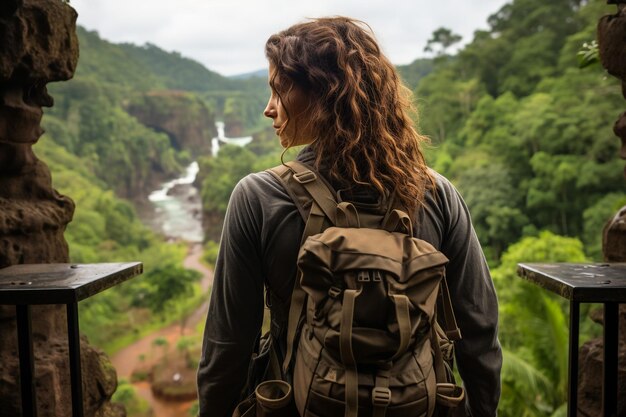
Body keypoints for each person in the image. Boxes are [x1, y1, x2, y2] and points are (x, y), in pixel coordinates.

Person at [197, 16, 502, 417]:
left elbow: (228, 347)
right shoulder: (436, 195)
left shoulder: (258, 198)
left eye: (279, 89)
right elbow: (478, 331)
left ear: (324, 94)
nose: (268, 109)